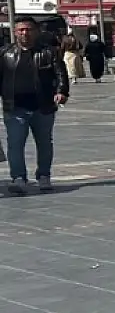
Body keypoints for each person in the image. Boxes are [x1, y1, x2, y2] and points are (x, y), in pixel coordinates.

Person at [0, 17, 71, 194]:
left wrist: (61, 91)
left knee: (44, 143)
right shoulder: (5, 53)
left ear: (36, 31)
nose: (25, 33)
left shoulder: (48, 52)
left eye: (28, 29)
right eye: (21, 30)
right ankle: (18, 178)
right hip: (15, 107)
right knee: (15, 144)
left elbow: (60, 73)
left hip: (43, 106)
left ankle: (44, 176)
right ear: (15, 32)